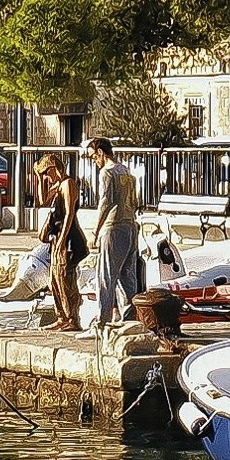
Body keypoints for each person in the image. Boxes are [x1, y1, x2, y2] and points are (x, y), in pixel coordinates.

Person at [83, 136, 143, 329]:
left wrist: (95, 231)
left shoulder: (107, 173)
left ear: (101, 152)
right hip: (130, 226)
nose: (94, 161)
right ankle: (129, 321)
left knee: (106, 277)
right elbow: (135, 201)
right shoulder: (125, 171)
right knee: (128, 277)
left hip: (114, 227)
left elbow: (105, 202)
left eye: (94, 157)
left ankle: (102, 321)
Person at [33, 162, 83, 329]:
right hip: (57, 238)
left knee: (65, 279)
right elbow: (42, 200)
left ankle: (72, 319)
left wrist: (62, 238)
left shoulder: (68, 184)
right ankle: (62, 317)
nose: (47, 177)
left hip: (67, 238)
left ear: (54, 168)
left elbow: (69, 213)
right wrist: (39, 179)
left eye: (47, 173)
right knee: (54, 280)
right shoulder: (58, 185)